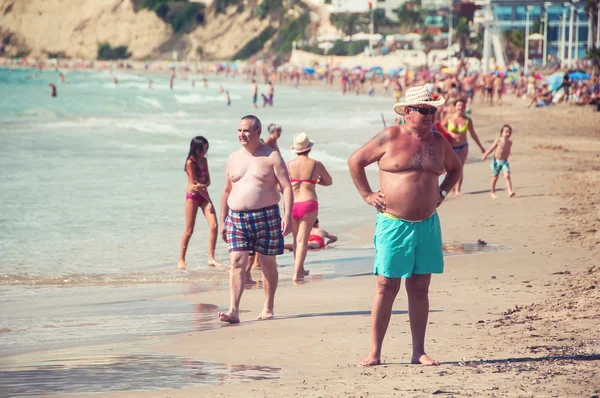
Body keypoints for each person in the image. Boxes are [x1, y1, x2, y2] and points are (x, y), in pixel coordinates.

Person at [347, 86, 462, 367]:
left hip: (427, 225)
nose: (429, 114)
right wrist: (367, 195)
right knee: (386, 285)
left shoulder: (439, 142)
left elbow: (456, 168)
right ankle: (375, 352)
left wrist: (443, 193)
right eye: (424, 109)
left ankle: (418, 352)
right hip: (393, 224)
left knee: (420, 287)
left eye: (432, 110)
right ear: (407, 112)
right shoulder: (390, 136)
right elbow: (355, 161)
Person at [219, 115, 293, 323]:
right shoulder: (233, 158)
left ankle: (268, 306)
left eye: (246, 131)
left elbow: (286, 186)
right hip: (236, 218)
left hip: (266, 215)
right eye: (239, 131)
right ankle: (233, 310)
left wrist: (287, 214)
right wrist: (224, 219)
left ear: (258, 132)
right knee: (237, 261)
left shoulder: (271, 157)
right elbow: (226, 190)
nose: (241, 135)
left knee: (267, 262)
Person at [287, 133, 333, 281]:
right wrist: (313, 181)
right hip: (309, 203)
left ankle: (299, 269)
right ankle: (297, 273)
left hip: (292, 204)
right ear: (309, 148)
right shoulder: (316, 164)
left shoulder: (288, 165)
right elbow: (328, 181)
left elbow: (280, 186)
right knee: (303, 240)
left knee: (296, 239)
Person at [179, 137, 225, 271]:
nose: (206, 151)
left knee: (214, 225)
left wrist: (204, 186)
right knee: (189, 229)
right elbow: (194, 186)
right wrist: (207, 197)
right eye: (203, 149)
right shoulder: (190, 163)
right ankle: (181, 259)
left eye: (207, 148)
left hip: (204, 195)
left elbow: (208, 181)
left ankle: (211, 257)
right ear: (196, 148)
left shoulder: (204, 161)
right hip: (192, 197)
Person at [442, 98, 486, 195]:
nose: (460, 107)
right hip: (450, 147)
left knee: (459, 167)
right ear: (455, 107)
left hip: (463, 147)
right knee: (449, 168)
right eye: (459, 105)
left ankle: (458, 190)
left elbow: (473, 134)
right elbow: (440, 127)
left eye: (462, 106)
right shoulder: (449, 118)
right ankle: (450, 188)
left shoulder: (467, 120)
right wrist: (448, 132)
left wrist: (481, 147)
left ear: (465, 108)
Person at [481, 124, 516, 198]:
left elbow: (508, 151)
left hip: (504, 162)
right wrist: (485, 155)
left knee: (507, 176)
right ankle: (492, 192)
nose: (508, 134)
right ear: (501, 133)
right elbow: (491, 149)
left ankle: (510, 191)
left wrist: (510, 157)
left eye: (509, 132)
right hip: (496, 162)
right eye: (506, 132)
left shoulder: (510, 143)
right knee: (495, 177)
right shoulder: (498, 140)